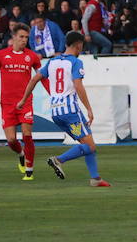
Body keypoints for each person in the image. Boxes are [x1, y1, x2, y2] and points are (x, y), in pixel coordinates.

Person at [17, 31, 110, 187]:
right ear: (78, 45)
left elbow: (34, 78)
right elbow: (78, 85)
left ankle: (95, 179)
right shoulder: (75, 62)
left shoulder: (52, 62)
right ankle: (59, 160)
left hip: (56, 112)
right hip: (71, 111)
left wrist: (23, 99)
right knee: (90, 146)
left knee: (87, 143)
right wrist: (89, 109)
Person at [0, 24, 47, 181]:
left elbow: (42, 77)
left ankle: (29, 170)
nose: (24, 40)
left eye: (26, 37)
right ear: (13, 37)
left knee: (27, 135)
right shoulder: (1, 55)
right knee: (11, 140)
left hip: (25, 102)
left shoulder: (32, 57)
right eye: (21, 37)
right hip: (7, 104)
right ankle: (21, 154)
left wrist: (52, 95)